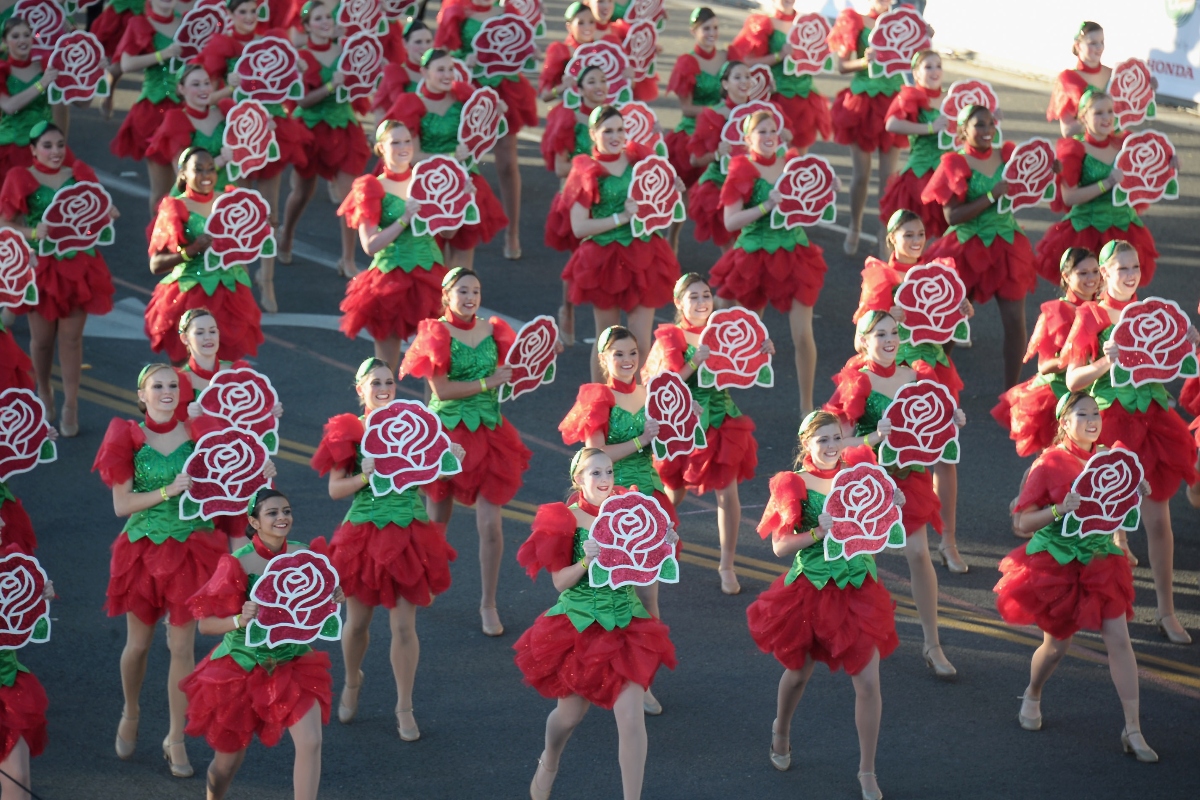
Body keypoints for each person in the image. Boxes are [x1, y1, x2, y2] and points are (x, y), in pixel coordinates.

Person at [995, 392, 1157, 762]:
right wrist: (1057, 509)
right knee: (1056, 646)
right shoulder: (1049, 463)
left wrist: (1136, 490)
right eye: (1081, 414)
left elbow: (1116, 509)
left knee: (1119, 638)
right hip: (1059, 562)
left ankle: (1132, 728)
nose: (1092, 420)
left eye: (1095, 413)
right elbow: (1021, 523)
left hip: (1101, 561)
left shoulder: (1109, 459)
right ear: (1064, 422)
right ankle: (1033, 692)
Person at [749, 411, 898, 800]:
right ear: (806, 446)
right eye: (823, 441)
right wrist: (819, 531)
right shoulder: (793, 484)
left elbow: (881, 523)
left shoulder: (860, 472)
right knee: (798, 674)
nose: (832, 447)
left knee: (868, 683)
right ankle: (781, 728)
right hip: (812, 590)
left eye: (836, 438)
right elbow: (780, 546)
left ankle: (867, 770)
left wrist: (892, 501)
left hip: (860, 588)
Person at [515, 448, 677, 800]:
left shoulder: (631, 509)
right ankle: (550, 759)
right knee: (569, 717)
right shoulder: (566, 519)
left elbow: (645, 566)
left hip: (626, 625)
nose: (605, 480)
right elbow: (559, 583)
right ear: (578, 480)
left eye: (608, 472)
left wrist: (664, 545)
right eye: (595, 474)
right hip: (580, 624)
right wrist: (587, 560)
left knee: (632, 720)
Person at [311, 358, 459, 741]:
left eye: (389, 381)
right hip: (362, 535)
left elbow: (430, 473)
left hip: (409, 532)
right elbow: (334, 489)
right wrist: (366, 473)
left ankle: (404, 706)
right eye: (375, 381)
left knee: (403, 625)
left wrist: (449, 459)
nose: (383, 387)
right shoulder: (351, 430)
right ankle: (351, 681)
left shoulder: (416, 424)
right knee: (357, 622)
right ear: (359, 388)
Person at [92, 365, 228, 778]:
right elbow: (121, 505)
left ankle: (175, 738)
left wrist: (259, 473)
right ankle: (131, 711)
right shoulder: (127, 436)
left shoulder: (199, 431)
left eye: (172, 385)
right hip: (143, 554)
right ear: (141, 395)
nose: (166, 391)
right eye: (158, 386)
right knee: (138, 646)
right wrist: (170, 490)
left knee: (183, 649)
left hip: (192, 551)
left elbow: (229, 479)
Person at [1063, 239, 1198, 644]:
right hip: (1110, 427)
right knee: (1103, 520)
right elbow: (1072, 381)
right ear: (1103, 274)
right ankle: (1101, 605)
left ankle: (1166, 611)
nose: (1131, 274)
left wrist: (1189, 338)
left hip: (1154, 422)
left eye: (1134, 266)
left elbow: (1178, 364)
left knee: (1159, 520)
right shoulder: (1090, 315)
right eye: (1121, 268)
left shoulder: (1152, 312)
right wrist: (1106, 360)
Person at [824, 311, 962, 677]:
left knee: (918, 553)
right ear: (864, 340)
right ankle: (855, 637)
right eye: (880, 333)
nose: (889, 339)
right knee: (861, 562)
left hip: (909, 478)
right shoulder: (858, 382)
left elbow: (933, 423)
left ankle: (932, 644)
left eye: (894, 333)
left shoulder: (916, 375)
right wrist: (872, 437)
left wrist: (951, 418)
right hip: (866, 483)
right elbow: (835, 442)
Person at [182, 488, 341, 799]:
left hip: (292, 662)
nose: (282, 518)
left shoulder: (302, 554)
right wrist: (239, 620)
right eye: (272, 513)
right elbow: (205, 624)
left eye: (286, 511)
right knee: (227, 765)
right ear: (253, 522)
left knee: (311, 742)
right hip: (242, 666)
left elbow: (315, 606)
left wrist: (333, 597)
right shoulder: (237, 564)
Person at [399, 268, 533, 637]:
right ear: (446, 295)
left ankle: (488, 602)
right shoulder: (435, 333)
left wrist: (540, 353)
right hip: (447, 435)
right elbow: (440, 390)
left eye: (475, 290)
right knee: (437, 518)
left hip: (489, 433)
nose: (470, 297)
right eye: (462, 291)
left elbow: (520, 368)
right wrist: (486, 382)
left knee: (490, 524)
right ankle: (426, 578)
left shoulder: (494, 329)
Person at [560, 326, 678, 718]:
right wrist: (642, 441)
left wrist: (684, 420)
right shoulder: (599, 397)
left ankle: (643, 680)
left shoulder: (651, 391)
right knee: (611, 594)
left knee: (647, 595)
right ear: (603, 360)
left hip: (647, 501)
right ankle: (603, 673)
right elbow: (594, 451)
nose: (627, 361)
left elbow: (671, 435)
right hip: (605, 505)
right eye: (618, 354)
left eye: (632, 353)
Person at [854, 209, 971, 572]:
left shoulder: (939, 273)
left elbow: (946, 332)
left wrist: (960, 312)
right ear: (892, 239)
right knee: (888, 454)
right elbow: (860, 337)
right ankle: (869, 532)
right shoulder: (880, 277)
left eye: (921, 233)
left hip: (935, 372)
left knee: (945, 455)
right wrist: (891, 316)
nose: (917, 240)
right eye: (908, 235)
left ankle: (947, 541)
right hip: (895, 375)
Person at [642, 274, 767, 594]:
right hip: (683, 423)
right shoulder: (671, 338)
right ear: (679, 303)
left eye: (706, 295)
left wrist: (762, 349)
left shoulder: (722, 331)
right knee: (674, 491)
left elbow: (745, 366)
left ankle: (727, 565)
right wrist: (692, 364)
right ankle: (654, 536)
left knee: (728, 493)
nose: (702, 303)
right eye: (694, 297)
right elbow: (662, 385)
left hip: (723, 421)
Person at [0, 122, 117, 438]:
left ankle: (71, 404)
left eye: (60, 145)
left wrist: (94, 226)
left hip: (79, 266)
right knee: (42, 340)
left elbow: (106, 214)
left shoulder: (79, 174)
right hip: (40, 268)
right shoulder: (20, 177)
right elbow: (5, 223)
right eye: (48, 146)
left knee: (72, 339)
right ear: (34, 149)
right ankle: (46, 393)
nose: (55, 152)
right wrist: (32, 232)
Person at [199, 0, 313, 313]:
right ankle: (240, 278)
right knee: (235, 208)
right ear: (230, 15)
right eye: (242, 12)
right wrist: (229, 87)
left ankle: (267, 279)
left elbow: (289, 84)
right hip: (237, 131)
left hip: (271, 129)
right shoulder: (223, 45)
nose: (249, 18)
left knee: (269, 213)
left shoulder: (272, 40)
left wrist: (299, 65)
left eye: (253, 11)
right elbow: (205, 96)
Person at [711, 109, 826, 416]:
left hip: (794, 252)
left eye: (772, 130)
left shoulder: (791, 163)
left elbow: (811, 199)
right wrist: (766, 206)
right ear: (748, 139)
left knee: (803, 333)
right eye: (761, 131)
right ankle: (719, 397)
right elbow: (731, 220)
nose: (768, 136)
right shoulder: (741, 169)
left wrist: (825, 192)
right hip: (753, 254)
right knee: (741, 331)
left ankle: (806, 406)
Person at [561, 105, 681, 380]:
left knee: (640, 343)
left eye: (620, 130)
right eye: (607, 131)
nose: (616, 136)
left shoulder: (639, 158)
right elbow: (579, 227)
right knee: (608, 340)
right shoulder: (584, 169)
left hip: (644, 256)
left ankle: (636, 410)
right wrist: (621, 217)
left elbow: (660, 198)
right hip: (604, 259)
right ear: (593, 134)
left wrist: (671, 190)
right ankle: (598, 406)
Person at [921, 104, 1036, 389]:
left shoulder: (1007, 154)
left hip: (1007, 244)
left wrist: (1049, 170)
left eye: (990, 124)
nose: (987, 131)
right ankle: (936, 385)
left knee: (1014, 321)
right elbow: (953, 216)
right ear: (963, 131)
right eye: (979, 125)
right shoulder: (954, 162)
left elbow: (1031, 183)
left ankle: (1012, 391)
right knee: (950, 321)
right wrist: (990, 195)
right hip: (966, 248)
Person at [383, 48, 509, 270]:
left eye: (450, 69)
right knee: (435, 257)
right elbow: (413, 155)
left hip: (464, 182)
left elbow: (482, 127)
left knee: (464, 253)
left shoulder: (463, 96)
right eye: (440, 70)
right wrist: (450, 156)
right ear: (424, 72)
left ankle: (457, 304)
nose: (447, 75)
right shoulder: (411, 104)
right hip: (429, 187)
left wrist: (495, 110)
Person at [337, 120, 447, 370]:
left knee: (437, 364)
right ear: (380, 148)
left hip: (430, 275)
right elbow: (370, 245)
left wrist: (461, 200)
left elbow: (447, 231)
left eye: (407, 140)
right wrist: (403, 220)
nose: (403, 147)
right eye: (395, 142)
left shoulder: (428, 180)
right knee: (385, 367)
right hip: (390, 281)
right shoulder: (372, 186)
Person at [435, 0, 539, 259]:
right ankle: (451, 228)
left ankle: (512, 232)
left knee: (507, 163)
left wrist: (529, 53)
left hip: (504, 91)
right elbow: (441, 57)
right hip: (466, 93)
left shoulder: (507, 11)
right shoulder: (456, 11)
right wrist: (463, 59)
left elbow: (519, 47)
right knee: (460, 160)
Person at [176, 307, 284, 550]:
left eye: (212, 331)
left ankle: (240, 588)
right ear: (185, 338)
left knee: (245, 539)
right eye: (200, 332)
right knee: (208, 543)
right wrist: (186, 418)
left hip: (242, 470)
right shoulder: (178, 381)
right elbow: (170, 431)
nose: (208, 338)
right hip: (203, 474)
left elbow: (257, 422)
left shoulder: (238, 372)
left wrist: (271, 411)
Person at [278, 0, 372, 277]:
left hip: (343, 129)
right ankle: (287, 236)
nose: (325, 22)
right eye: (317, 19)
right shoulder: (302, 57)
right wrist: (333, 84)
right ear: (306, 26)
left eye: (327, 17)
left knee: (350, 196)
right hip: (311, 130)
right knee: (303, 191)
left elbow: (361, 85)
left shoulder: (345, 52)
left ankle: (348, 258)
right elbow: (302, 102)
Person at [146, 147, 264, 364]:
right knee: (186, 372)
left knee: (225, 372)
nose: (206, 175)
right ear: (183, 173)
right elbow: (156, 264)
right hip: (188, 295)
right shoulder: (174, 207)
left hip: (230, 295)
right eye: (198, 169)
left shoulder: (230, 201)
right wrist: (191, 251)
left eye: (211, 169)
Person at [1035, 89, 1160, 288]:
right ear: (1083, 117)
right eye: (1099, 113)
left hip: (1123, 226)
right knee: (1090, 296)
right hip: (1087, 229)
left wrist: (1170, 160)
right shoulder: (1074, 149)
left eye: (1110, 112)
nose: (1107, 118)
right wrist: (1107, 183)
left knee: (1122, 293)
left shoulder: (1125, 143)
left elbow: (1151, 172)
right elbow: (1069, 198)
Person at [992, 247, 1101, 459]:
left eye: (1095, 271)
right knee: (1052, 465)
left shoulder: (1103, 307)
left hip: (1094, 394)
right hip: (1059, 395)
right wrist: (1073, 357)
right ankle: (1029, 493)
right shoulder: (1057, 311)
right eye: (1083, 273)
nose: (1091, 278)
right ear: (1066, 277)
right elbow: (1044, 365)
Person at [827, 0, 906, 255]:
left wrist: (924, 38)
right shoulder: (855, 21)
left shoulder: (904, 23)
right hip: (862, 104)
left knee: (888, 179)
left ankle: (886, 234)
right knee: (861, 175)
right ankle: (855, 225)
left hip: (893, 102)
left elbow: (917, 63)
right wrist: (864, 61)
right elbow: (840, 66)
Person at [727, 0, 831, 153]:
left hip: (805, 98)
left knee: (798, 160)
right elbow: (745, 62)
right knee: (775, 155)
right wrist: (779, 56)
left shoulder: (808, 22)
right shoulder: (762, 23)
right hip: (776, 98)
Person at [109, 0, 182, 212]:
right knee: (161, 191)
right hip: (153, 112)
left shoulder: (187, 24)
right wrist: (163, 54)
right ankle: (157, 243)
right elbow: (126, 63)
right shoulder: (140, 24)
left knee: (187, 185)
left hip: (185, 111)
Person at [0, 544, 50, 800]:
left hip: (7, 682)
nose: (2, 522)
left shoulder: (7, 569)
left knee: (20, 778)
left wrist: (35, 599)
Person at [879, 50, 947, 239]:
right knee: (915, 235)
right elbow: (892, 124)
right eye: (928, 67)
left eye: (938, 66)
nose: (935, 71)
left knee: (944, 239)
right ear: (916, 73)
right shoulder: (912, 96)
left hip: (946, 175)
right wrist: (930, 128)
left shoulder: (951, 99)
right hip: (920, 174)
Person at [686, 60, 753, 253]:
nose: (744, 81)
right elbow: (694, 159)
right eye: (737, 77)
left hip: (752, 183)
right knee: (731, 250)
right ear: (725, 84)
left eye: (747, 77)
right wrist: (717, 153)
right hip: (721, 185)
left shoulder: (760, 112)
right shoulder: (712, 115)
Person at [145, 64, 236, 199]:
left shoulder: (224, 112)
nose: (203, 89)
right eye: (196, 84)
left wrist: (263, 123)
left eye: (206, 83)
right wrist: (221, 160)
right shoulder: (177, 121)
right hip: (196, 200)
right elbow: (184, 174)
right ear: (181, 89)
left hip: (228, 194)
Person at [666, 7, 725, 189]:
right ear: (693, 31)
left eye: (715, 28)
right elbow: (687, 108)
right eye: (706, 28)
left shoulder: (727, 57)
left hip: (723, 131)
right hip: (694, 132)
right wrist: (716, 110)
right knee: (686, 193)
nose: (712, 33)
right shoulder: (687, 63)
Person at [0, 17, 61, 178]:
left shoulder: (46, 66)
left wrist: (97, 69)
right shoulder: (2, 70)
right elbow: (9, 106)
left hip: (46, 149)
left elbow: (80, 103)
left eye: (26, 35)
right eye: (15, 36)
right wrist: (42, 83)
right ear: (5, 40)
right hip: (13, 150)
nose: (22, 40)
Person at [1047, 21, 1110, 138]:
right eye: (1093, 43)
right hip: (1085, 148)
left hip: (1112, 146)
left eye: (1102, 42)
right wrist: (1093, 122)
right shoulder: (1069, 80)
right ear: (1078, 46)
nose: (1099, 47)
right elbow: (1067, 130)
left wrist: (1148, 85)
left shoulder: (1113, 73)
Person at [372, 19, 435, 118]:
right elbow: (381, 115)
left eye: (428, 41)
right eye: (418, 42)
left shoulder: (442, 73)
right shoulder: (395, 75)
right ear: (405, 43)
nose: (425, 47)